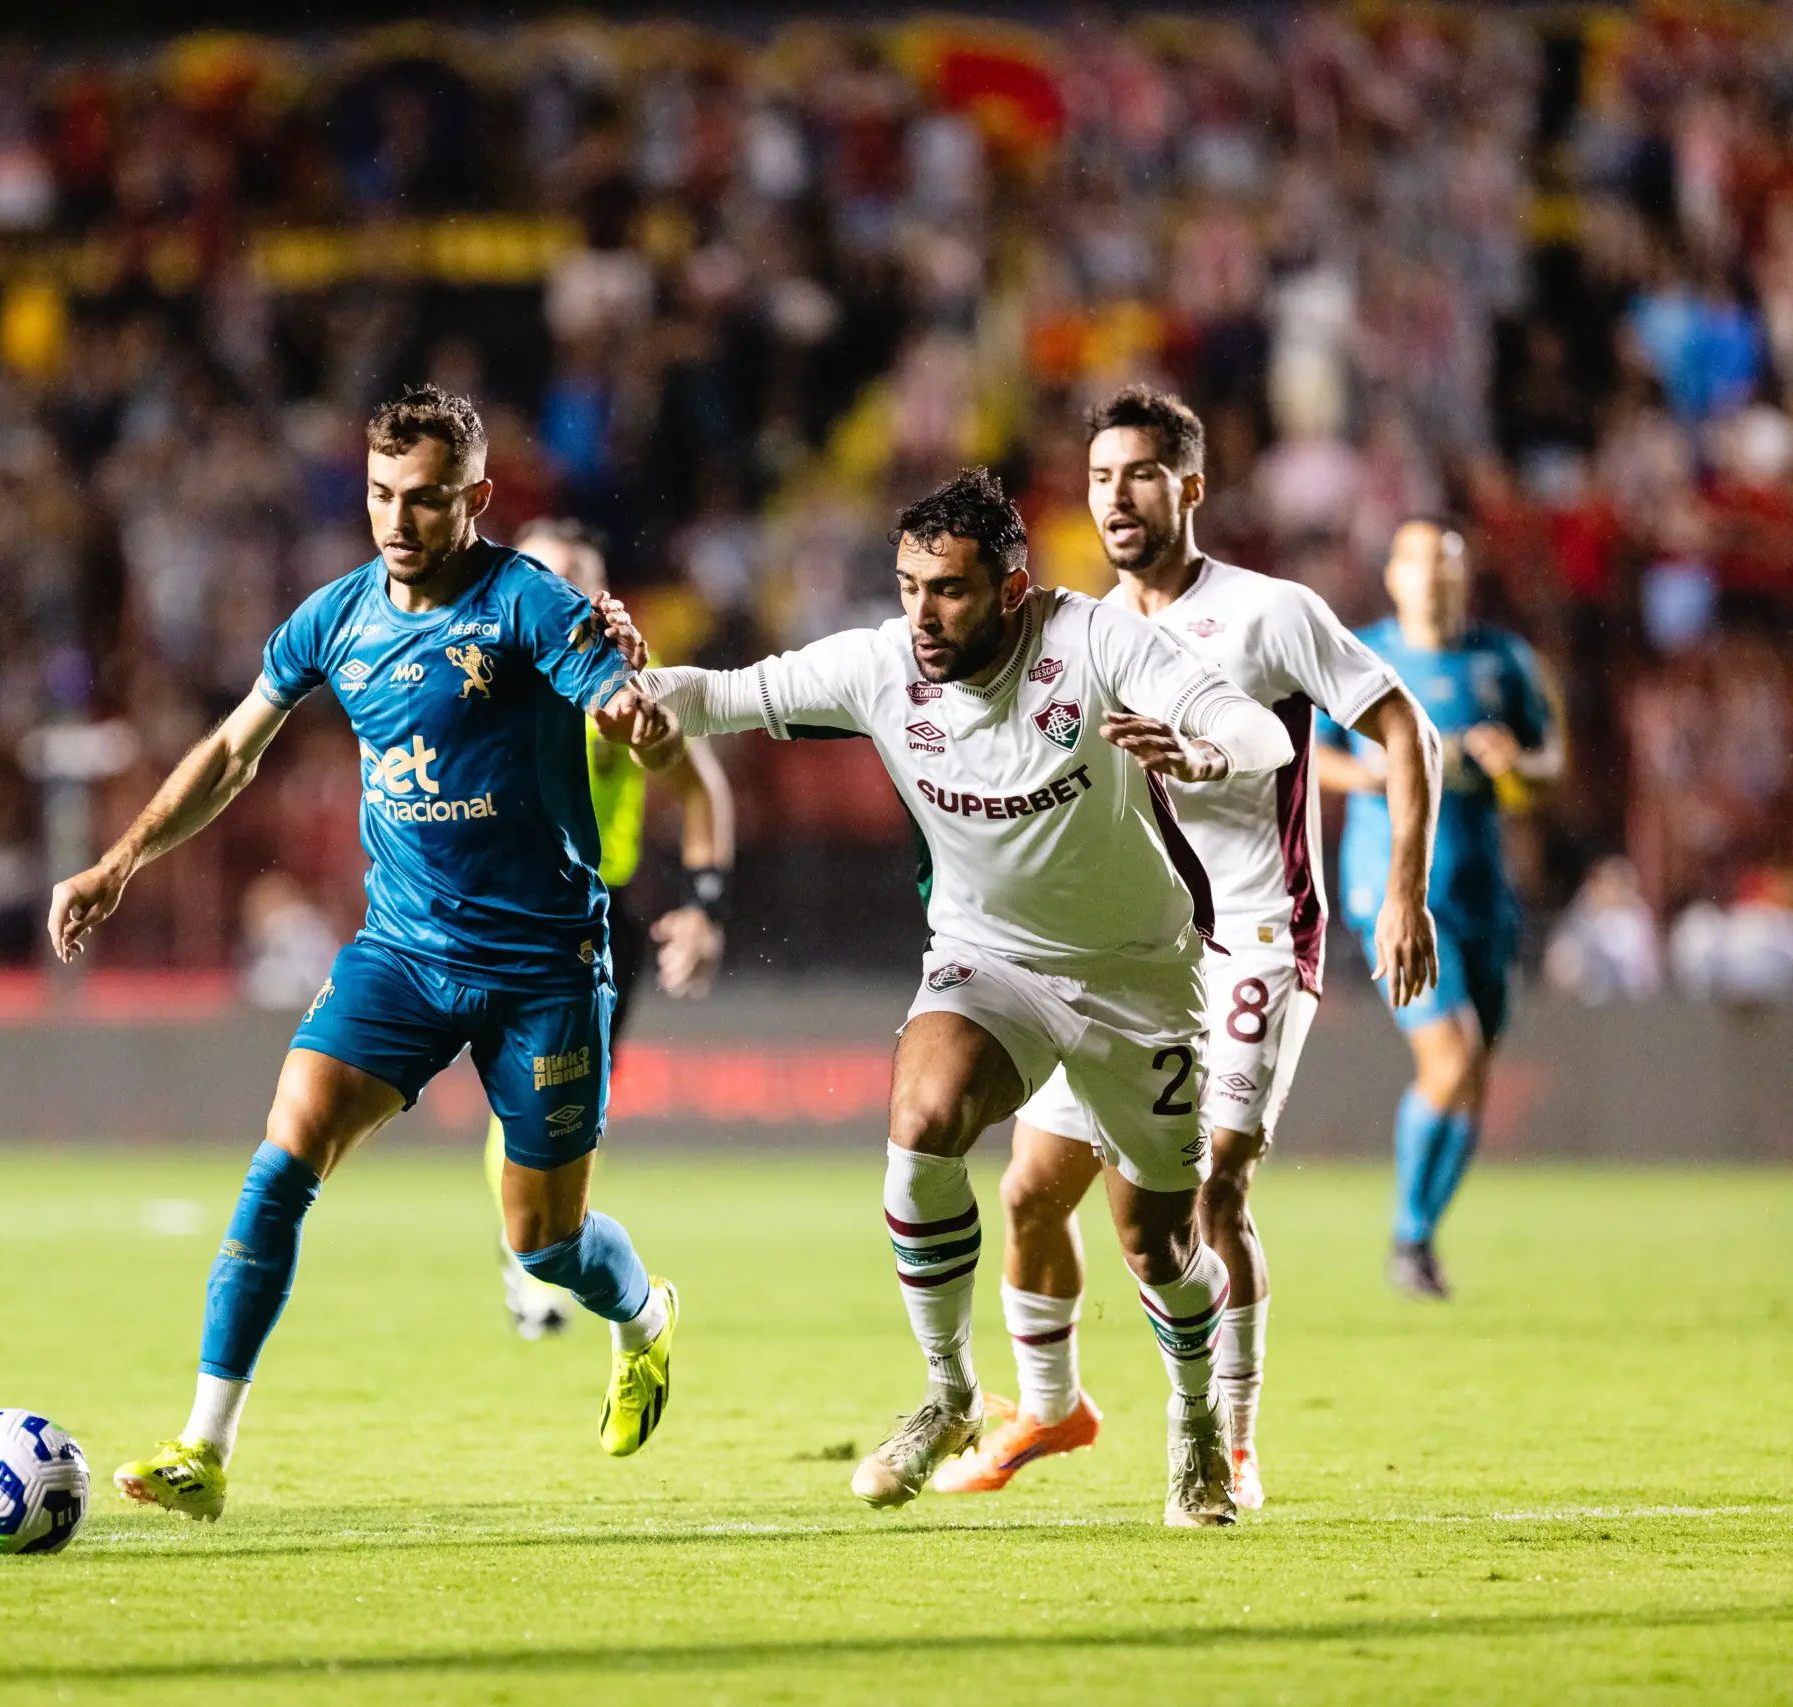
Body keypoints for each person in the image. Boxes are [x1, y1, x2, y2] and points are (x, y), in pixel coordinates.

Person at [48, 386, 685, 1522]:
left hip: (543, 968)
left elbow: (613, 697)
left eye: (429, 499)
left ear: (477, 500)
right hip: (401, 951)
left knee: (542, 1246)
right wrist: (118, 862)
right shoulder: (333, 619)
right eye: (384, 494)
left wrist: (633, 708)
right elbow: (234, 750)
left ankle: (641, 1317)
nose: (400, 519)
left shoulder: (532, 605)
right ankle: (204, 1446)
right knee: (284, 1155)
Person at [615, 467, 1297, 1527]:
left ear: (1013, 589)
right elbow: (721, 692)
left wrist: (1202, 751)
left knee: (1158, 1245)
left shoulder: (1091, 643)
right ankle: (947, 1392)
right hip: (989, 958)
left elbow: (1262, 733)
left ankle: (1199, 1422)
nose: (922, 614)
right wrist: (637, 695)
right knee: (921, 1123)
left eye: (950, 590)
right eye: (907, 586)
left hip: (1137, 978)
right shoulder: (880, 667)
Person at [932, 387, 1441, 1513]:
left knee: (1206, 1196)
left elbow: (1406, 727)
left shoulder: (1270, 613)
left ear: (1190, 488)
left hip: (1256, 939)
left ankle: (1229, 1446)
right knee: (1026, 1194)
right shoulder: (1077, 634)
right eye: (1101, 476)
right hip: (1125, 958)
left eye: (1142, 474)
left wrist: (1403, 892)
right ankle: (1049, 1406)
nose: (1117, 494)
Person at [487, 517, 736, 1339]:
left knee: (561, 1105)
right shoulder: (471, 665)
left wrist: (704, 903)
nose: (556, 601)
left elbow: (699, 790)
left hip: (592, 921)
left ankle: (536, 1250)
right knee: (521, 1093)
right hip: (487, 903)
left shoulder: (628, 680)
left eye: (574, 585)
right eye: (541, 578)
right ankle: (530, 1260)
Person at [1316, 519, 1562, 1300]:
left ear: (1465, 576)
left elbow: (1550, 761)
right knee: (1450, 1061)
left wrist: (1516, 763)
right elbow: (1309, 748)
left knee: (1473, 1074)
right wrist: (1380, 771)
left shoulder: (1503, 661)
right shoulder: (1360, 654)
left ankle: (1416, 1239)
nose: (1434, 577)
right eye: (1420, 564)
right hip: (1389, 888)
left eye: (1447, 564)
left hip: (1481, 892)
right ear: (1393, 576)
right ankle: (1409, 1237)